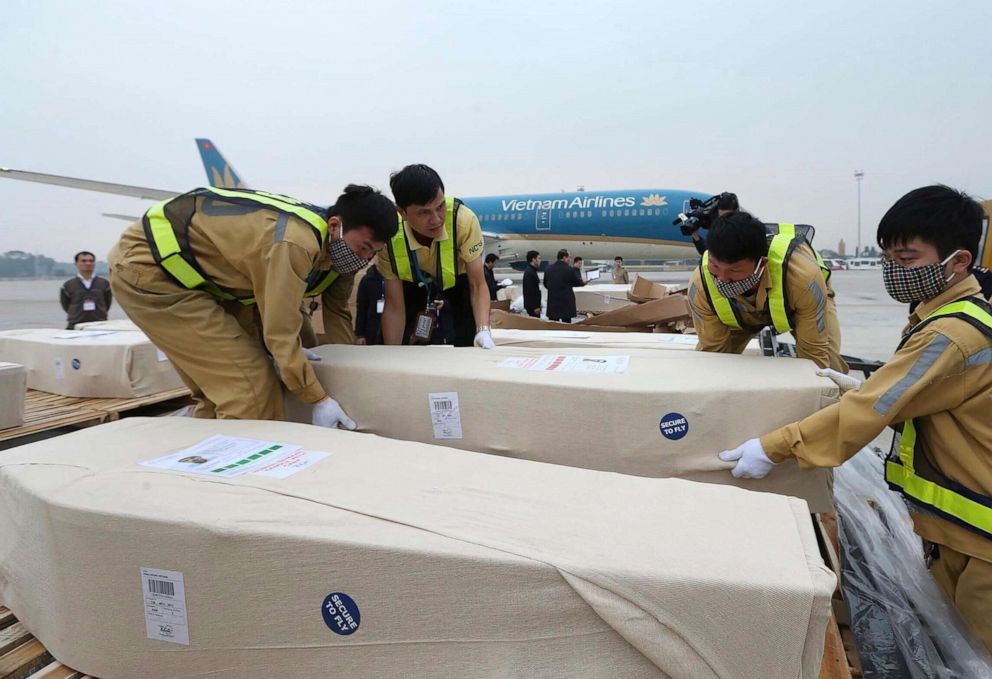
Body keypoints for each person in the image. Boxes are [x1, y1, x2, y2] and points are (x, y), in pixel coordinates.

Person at [719, 185, 992, 651]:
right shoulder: (942, 313)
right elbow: (912, 393)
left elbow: (875, 410)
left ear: (959, 261)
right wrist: (862, 386)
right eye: (888, 259)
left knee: (978, 653)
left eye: (906, 260)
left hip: (981, 533)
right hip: (958, 526)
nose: (894, 272)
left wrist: (774, 446)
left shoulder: (951, 331)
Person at [108, 184, 397, 427]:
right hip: (154, 272)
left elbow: (335, 317)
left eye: (373, 253)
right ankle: (243, 485)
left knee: (222, 390)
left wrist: (346, 376)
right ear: (335, 225)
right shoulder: (296, 243)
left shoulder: (337, 252)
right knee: (249, 387)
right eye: (363, 248)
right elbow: (280, 335)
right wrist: (319, 399)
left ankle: (202, 459)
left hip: (211, 283)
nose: (364, 259)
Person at [687, 211, 847, 372]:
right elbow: (713, 350)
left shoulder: (803, 279)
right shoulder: (700, 286)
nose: (722, 278)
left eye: (734, 271)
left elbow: (814, 355)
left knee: (829, 367)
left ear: (761, 264)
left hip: (800, 302)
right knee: (714, 366)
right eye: (715, 266)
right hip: (739, 313)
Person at [378, 164, 493, 348]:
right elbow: (394, 304)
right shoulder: (389, 235)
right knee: (396, 343)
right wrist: (392, 354)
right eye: (424, 212)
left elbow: (477, 285)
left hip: (459, 280)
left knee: (469, 335)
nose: (437, 219)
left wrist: (483, 329)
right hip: (412, 283)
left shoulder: (463, 221)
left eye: (440, 207)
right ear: (402, 212)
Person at [60, 251, 113, 329]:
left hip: (99, 324)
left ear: (94, 263)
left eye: (91, 261)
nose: (88, 263)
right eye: (83, 261)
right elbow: (65, 304)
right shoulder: (68, 285)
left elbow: (107, 302)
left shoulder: (104, 283)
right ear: (76, 264)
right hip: (75, 324)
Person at [543, 249, 585, 322]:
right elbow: (576, 283)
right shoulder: (569, 269)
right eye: (569, 257)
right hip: (566, 304)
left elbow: (546, 284)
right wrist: (583, 283)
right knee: (566, 327)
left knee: (553, 326)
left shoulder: (548, 269)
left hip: (553, 304)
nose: (570, 259)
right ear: (564, 257)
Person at [354, 264, 386, 345]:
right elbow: (361, 308)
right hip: (372, 331)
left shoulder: (398, 281)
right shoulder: (367, 280)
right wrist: (360, 334)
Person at [522, 250, 542, 318]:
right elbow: (530, 291)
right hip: (533, 307)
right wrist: (535, 307)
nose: (540, 260)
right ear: (534, 259)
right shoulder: (530, 272)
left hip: (533, 306)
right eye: (539, 258)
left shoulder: (532, 270)